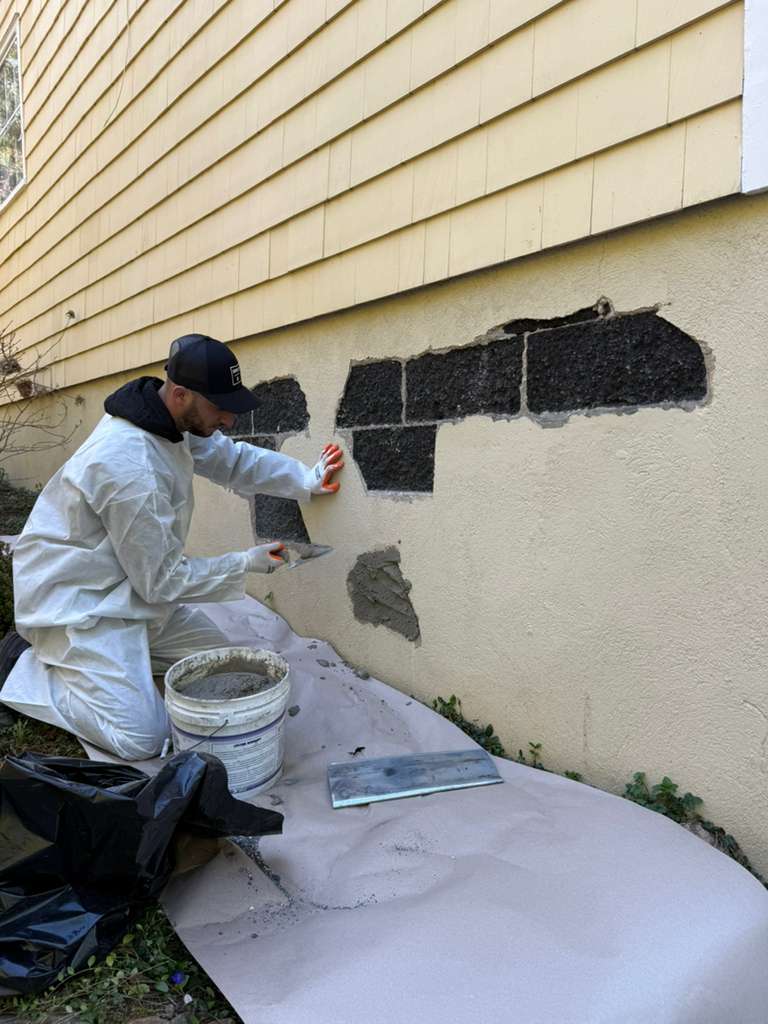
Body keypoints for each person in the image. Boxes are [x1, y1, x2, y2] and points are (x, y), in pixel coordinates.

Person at [0, 334, 343, 760]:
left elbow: (232, 460)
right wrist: (245, 564)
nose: (229, 420)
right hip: (78, 606)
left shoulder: (168, 422)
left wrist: (304, 481)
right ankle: (23, 667)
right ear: (180, 394)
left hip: (128, 589)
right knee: (143, 737)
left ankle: (121, 665)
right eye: (221, 408)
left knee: (225, 664)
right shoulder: (129, 469)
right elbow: (160, 583)